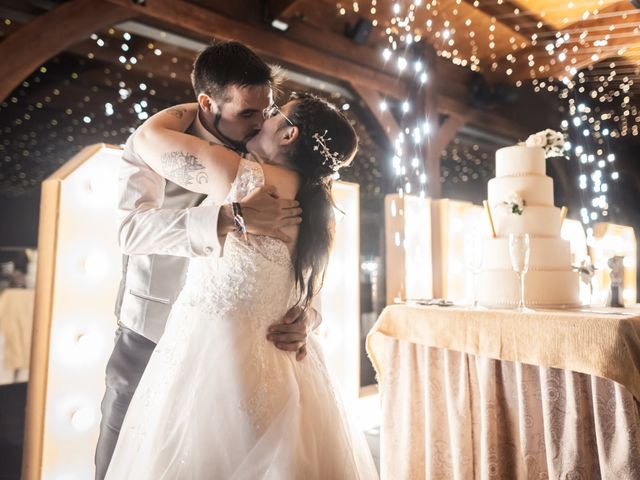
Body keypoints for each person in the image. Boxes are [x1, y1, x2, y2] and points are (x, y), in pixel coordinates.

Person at [104, 93, 378, 478]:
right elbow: (309, 293)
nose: (263, 117)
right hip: (282, 364)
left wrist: (198, 104)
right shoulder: (321, 208)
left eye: (273, 112)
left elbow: (149, 139)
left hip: (215, 354)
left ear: (287, 135)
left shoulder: (243, 177)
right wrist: (309, 318)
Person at [95, 42, 320, 480]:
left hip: (236, 346)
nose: (260, 125)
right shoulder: (154, 143)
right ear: (206, 103)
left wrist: (309, 313)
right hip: (153, 331)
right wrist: (227, 219)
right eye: (247, 114)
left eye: (266, 111)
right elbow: (130, 231)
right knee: (123, 459)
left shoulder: (271, 149)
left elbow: (302, 246)